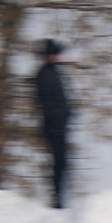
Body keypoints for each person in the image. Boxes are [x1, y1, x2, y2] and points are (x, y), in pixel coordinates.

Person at [32, 40, 71, 209]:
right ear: (50, 55)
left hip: (59, 124)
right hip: (53, 125)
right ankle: (56, 199)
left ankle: (58, 197)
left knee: (61, 162)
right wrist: (58, 117)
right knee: (59, 162)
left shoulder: (53, 72)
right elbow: (45, 102)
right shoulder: (44, 74)